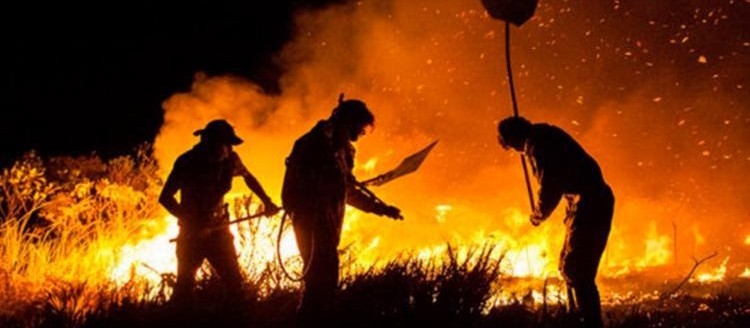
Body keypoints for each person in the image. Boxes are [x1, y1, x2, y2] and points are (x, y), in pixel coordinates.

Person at [281, 95, 403, 324]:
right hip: (310, 223)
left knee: (324, 285)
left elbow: (348, 190)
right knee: (318, 283)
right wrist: (308, 207)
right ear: (347, 122)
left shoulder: (344, 150)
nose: (359, 136)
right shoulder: (311, 144)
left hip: (329, 225)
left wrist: (381, 209)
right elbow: (291, 190)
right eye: (358, 129)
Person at [497, 116, 614, 328]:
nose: (518, 153)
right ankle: (578, 318)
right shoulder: (543, 136)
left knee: (577, 270)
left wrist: (538, 215)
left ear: (513, 140)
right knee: (568, 266)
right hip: (583, 204)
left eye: (514, 149)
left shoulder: (538, 145)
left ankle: (590, 323)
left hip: (591, 203)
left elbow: (550, 185)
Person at [159, 119, 280, 306]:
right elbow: (165, 197)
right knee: (184, 287)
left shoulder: (230, 160)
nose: (229, 150)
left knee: (234, 284)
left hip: (220, 232)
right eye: (225, 144)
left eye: (230, 145)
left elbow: (249, 178)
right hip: (192, 236)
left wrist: (267, 202)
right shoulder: (187, 162)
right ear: (208, 142)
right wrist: (189, 221)